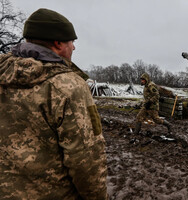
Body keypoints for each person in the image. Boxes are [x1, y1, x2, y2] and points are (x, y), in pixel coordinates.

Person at [0, 8, 108, 199]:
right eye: (72, 42)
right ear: (58, 43)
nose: (73, 48)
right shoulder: (68, 86)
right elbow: (85, 160)